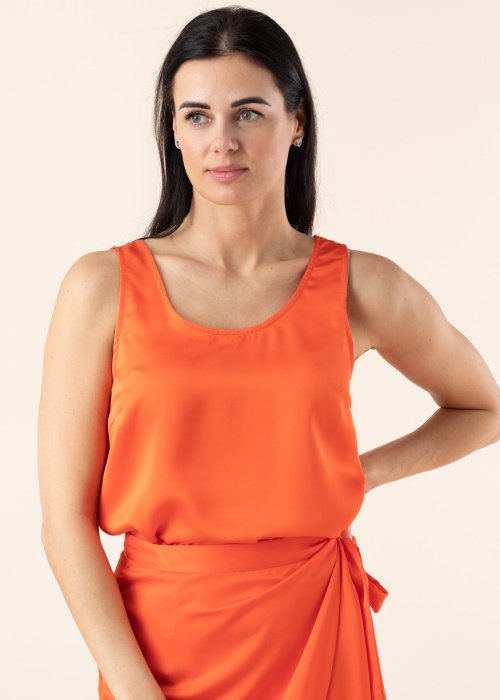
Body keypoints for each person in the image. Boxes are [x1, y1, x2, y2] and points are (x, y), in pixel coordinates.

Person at [38, 6, 500, 700]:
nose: (222, 141)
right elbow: (65, 526)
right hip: (157, 651)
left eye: (248, 113)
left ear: (297, 121)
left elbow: (483, 407)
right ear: (173, 130)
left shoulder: (361, 286)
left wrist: (361, 475)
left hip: (316, 631)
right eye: (197, 116)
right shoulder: (102, 287)